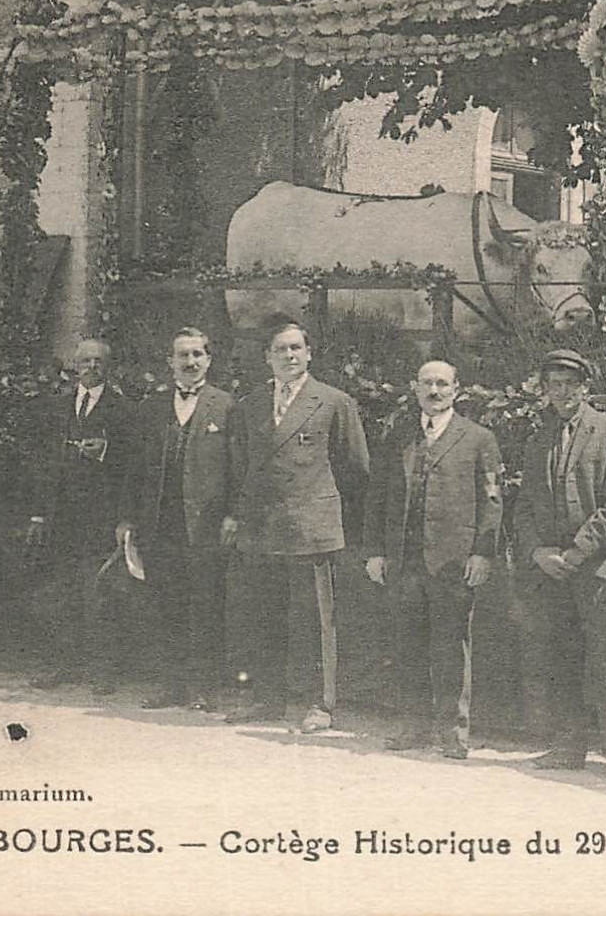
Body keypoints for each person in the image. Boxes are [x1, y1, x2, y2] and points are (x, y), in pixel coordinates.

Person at [513, 348, 606, 789]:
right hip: (551, 568)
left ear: (586, 388)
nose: (563, 392)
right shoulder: (539, 438)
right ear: (545, 390)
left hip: (597, 568)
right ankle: (570, 744)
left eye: (571, 384)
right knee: (561, 655)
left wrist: (577, 552)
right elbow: (526, 505)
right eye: (555, 384)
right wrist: (536, 552)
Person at [225, 322, 369, 732]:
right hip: (263, 526)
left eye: (295, 348)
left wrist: (330, 515)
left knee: (315, 620)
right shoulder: (251, 404)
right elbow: (242, 468)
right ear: (267, 358)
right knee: (265, 617)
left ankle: (319, 704)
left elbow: (355, 469)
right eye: (279, 350)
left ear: (309, 354)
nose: (288, 356)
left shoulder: (334, 402)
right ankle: (268, 699)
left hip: (311, 528)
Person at [363, 360, 503, 760]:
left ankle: (453, 732)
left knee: (451, 646)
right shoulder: (399, 437)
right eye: (427, 383)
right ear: (415, 388)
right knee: (407, 645)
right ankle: (414, 725)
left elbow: (492, 502)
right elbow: (377, 497)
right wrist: (375, 550)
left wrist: (482, 553)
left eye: (443, 384)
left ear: (457, 389)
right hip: (405, 561)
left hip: (452, 563)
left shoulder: (478, 439)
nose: (435, 391)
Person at [117, 327, 238, 710]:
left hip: (205, 524)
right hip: (160, 523)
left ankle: (205, 686)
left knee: (206, 605)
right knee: (166, 602)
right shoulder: (150, 409)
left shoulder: (227, 406)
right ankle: (171, 683)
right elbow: (133, 469)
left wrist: (233, 514)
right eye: (182, 355)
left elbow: (239, 468)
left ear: (209, 360)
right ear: (170, 362)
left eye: (197, 355)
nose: (190, 362)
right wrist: (127, 518)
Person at [27, 339, 134, 691]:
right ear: (75, 365)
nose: (92, 367)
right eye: (85, 360)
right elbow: (41, 464)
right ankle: (62, 664)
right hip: (61, 517)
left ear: (109, 366)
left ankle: (103, 670)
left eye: (99, 361)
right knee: (60, 592)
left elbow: (135, 468)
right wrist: (39, 514)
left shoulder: (122, 410)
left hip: (100, 517)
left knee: (100, 594)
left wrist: (107, 453)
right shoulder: (56, 407)